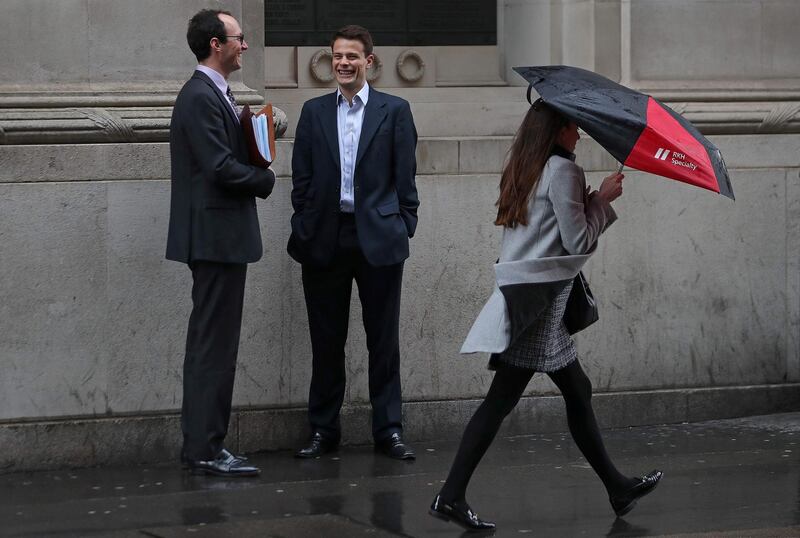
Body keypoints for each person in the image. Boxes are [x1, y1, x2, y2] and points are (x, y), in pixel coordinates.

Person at [428, 100, 662, 530]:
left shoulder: (527, 165)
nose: (579, 134)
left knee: (577, 388)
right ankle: (451, 494)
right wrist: (604, 201)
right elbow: (575, 241)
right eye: (574, 127)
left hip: (529, 293)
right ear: (557, 130)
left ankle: (617, 486)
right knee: (502, 400)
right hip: (541, 299)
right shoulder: (564, 171)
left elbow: (548, 228)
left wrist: (588, 200)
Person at [288, 25, 419, 460]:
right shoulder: (313, 112)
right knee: (326, 341)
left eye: (352, 56)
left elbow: (405, 178)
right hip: (325, 238)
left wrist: (404, 224)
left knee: (383, 341)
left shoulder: (394, 110)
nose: (343, 63)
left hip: (379, 239)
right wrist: (304, 221)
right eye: (337, 56)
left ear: (370, 62)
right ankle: (324, 430)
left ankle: (389, 431)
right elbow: (301, 178)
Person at [166, 9, 275, 477]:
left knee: (215, 344)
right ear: (216, 44)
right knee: (214, 346)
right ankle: (206, 449)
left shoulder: (215, 94)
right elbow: (218, 167)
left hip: (220, 237)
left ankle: (205, 445)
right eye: (238, 38)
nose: (244, 46)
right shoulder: (199, 96)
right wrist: (264, 177)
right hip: (214, 238)